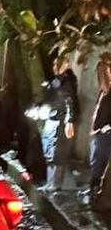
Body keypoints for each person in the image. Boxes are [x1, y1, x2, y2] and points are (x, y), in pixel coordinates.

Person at [41, 55, 79, 191]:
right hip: (51, 119)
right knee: (50, 152)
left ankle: (55, 184)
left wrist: (69, 121)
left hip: (60, 121)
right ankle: (50, 182)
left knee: (58, 154)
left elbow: (70, 101)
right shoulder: (56, 81)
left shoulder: (67, 81)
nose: (53, 67)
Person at [85, 57, 111, 206]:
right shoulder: (104, 91)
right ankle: (93, 189)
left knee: (100, 162)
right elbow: (99, 111)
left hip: (105, 133)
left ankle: (96, 190)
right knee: (96, 162)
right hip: (98, 132)